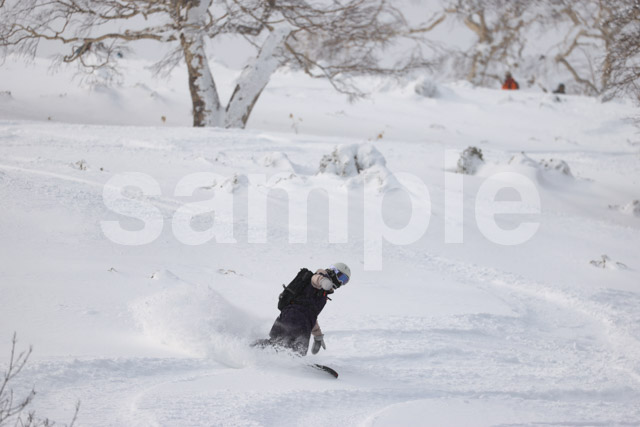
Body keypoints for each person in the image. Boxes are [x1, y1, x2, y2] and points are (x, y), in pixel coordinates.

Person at [255, 263, 351, 356]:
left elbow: (311, 316)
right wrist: (323, 281)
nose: (341, 282)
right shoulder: (320, 277)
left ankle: (257, 351)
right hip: (293, 317)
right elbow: (315, 279)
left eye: (345, 281)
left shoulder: (323, 295)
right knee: (290, 349)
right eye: (341, 277)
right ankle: (255, 350)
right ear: (333, 271)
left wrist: (318, 336)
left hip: (299, 320)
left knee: (283, 346)